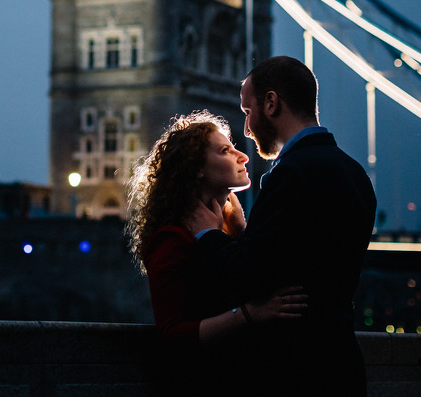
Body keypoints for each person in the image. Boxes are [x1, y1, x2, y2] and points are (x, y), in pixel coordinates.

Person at [190, 56, 377, 394]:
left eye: (248, 113)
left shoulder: (291, 174)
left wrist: (208, 234)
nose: (246, 129)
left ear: (272, 103)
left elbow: (252, 277)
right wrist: (248, 237)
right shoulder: (356, 174)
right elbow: (297, 258)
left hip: (295, 369)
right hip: (344, 364)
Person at [126, 110, 306, 387]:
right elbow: (172, 333)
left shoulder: (230, 234)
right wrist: (249, 314)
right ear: (196, 167)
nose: (243, 156)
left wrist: (241, 235)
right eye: (225, 150)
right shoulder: (172, 239)